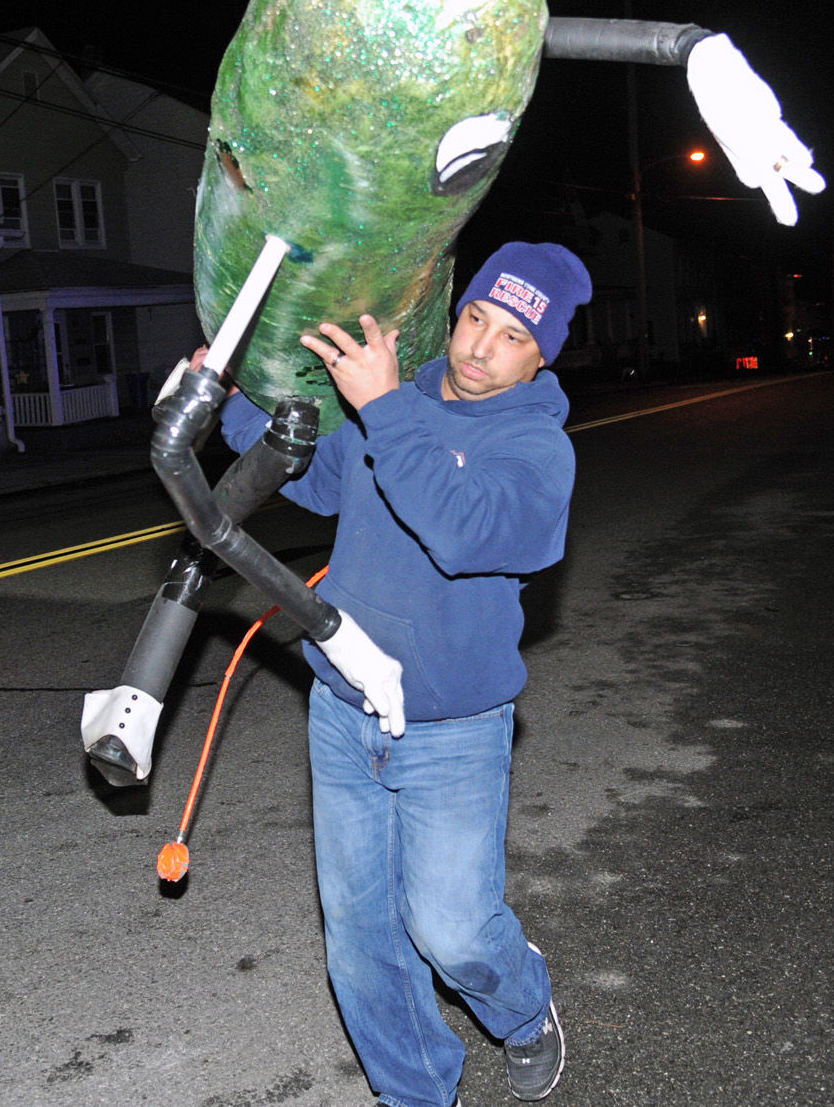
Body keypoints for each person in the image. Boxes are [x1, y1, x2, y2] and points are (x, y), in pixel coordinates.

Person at [215, 241, 592, 1107]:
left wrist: (384, 408)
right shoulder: (402, 405)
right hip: (343, 713)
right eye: (474, 319)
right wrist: (223, 400)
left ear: (543, 355)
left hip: (452, 732)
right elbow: (315, 482)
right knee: (361, 937)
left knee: (453, 931)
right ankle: (416, 1090)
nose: (477, 346)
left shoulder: (537, 453)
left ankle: (523, 1006)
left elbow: (460, 531)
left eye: (509, 336)